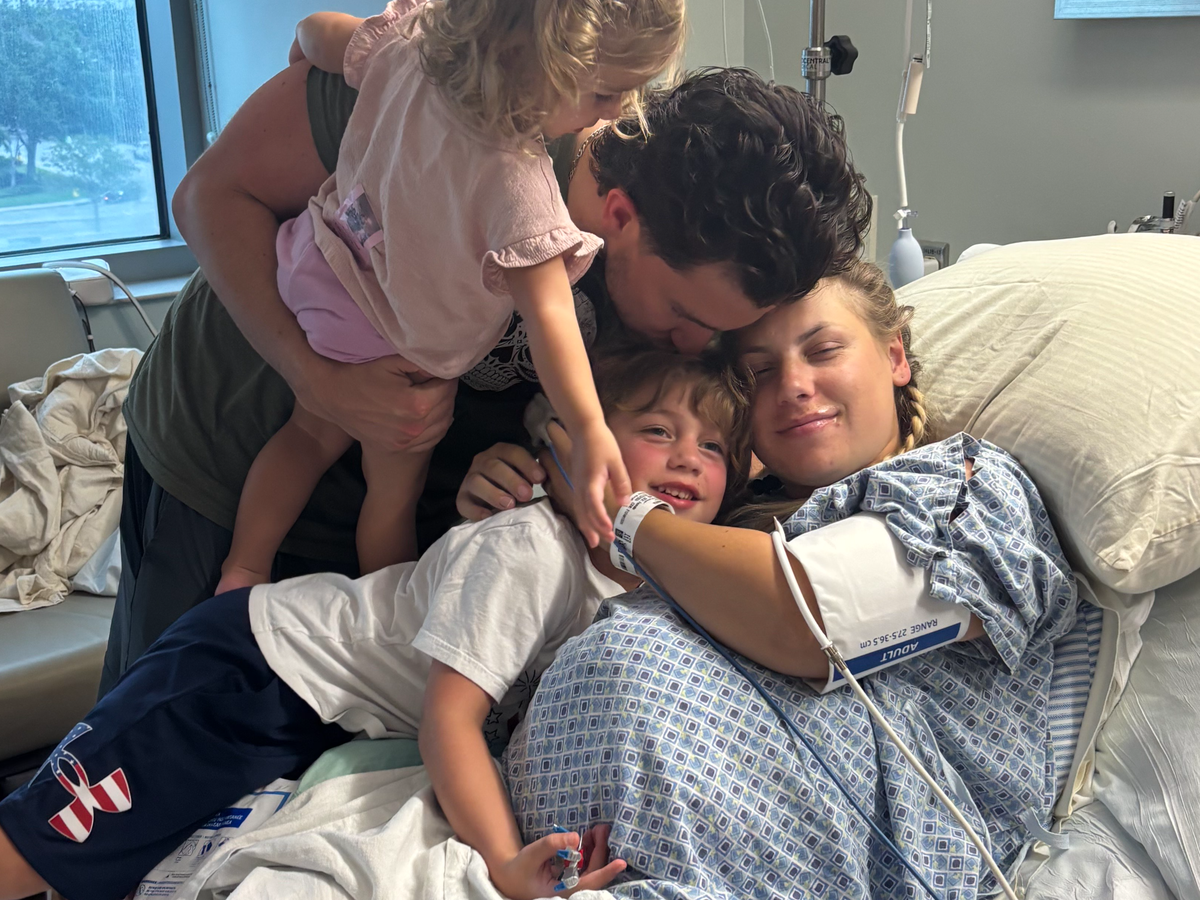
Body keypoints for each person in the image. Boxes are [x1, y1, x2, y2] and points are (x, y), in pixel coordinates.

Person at [103, 62, 870, 691]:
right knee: (142, 747)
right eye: (681, 314)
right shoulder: (449, 104)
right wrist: (316, 380)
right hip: (232, 452)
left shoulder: (702, 272)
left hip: (390, 517)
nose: (696, 345)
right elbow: (207, 195)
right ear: (620, 215)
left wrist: (507, 476)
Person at [0, 346, 753, 900]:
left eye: (714, 446)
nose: (689, 457)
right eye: (659, 431)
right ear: (570, 442)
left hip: (326, 720)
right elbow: (451, 721)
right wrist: (503, 863)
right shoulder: (529, 550)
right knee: (47, 845)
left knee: (134, 866)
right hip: (249, 673)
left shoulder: (639, 592)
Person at [457, 260, 1079, 898]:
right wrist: (522, 488)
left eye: (823, 350)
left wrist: (617, 506)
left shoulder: (965, 491)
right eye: (759, 372)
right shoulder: (725, 515)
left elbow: (808, 624)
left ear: (894, 357)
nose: (795, 386)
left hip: (872, 858)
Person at [218, 0, 693, 594]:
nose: (618, 111)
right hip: (385, 333)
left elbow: (318, 31)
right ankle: (388, 611)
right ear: (535, 61)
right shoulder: (518, 184)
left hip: (317, 263)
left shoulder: (411, 49)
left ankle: (244, 565)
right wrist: (590, 426)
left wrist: (300, 51)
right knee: (392, 494)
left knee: (306, 437)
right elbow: (551, 316)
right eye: (605, 93)